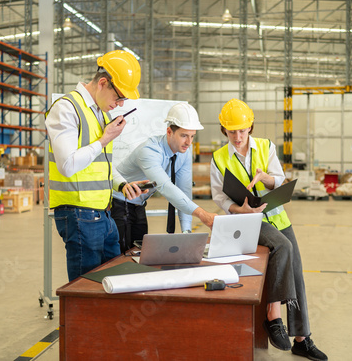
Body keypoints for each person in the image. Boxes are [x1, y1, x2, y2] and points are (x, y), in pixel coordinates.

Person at [210, 99, 327, 361]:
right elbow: (219, 196)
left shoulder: (265, 146)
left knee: (296, 272)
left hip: (276, 217)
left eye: (242, 130)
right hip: (246, 220)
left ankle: (302, 338)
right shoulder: (219, 158)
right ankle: (273, 316)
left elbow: (279, 179)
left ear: (250, 127)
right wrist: (241, 210)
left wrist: (265, 178)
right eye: (232, 131)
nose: (238, 136)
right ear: (224, 130)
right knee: (282, 247)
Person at [45, 50, 145, 281]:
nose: (119, 104)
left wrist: (122, 185)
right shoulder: (67, 108)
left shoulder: (100, 113)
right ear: (102, 83)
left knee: (111, 280)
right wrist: (104, 140)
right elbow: (68, 165)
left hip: (103, 213)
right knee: (86, 286)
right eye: (119, 97)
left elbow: (100, 164)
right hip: (78, 213)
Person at [111, 102, 218, 253]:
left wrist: (187, 232)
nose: (189, 142)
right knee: (121, 257)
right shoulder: (149, 151)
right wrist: (202, 214)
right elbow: (165, 187)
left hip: (138, 205)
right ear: (169, 132)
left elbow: (184, 190)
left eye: (192, 136)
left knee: (139, 255)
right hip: (118, 204)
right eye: (184, 136)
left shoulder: (185, 152)